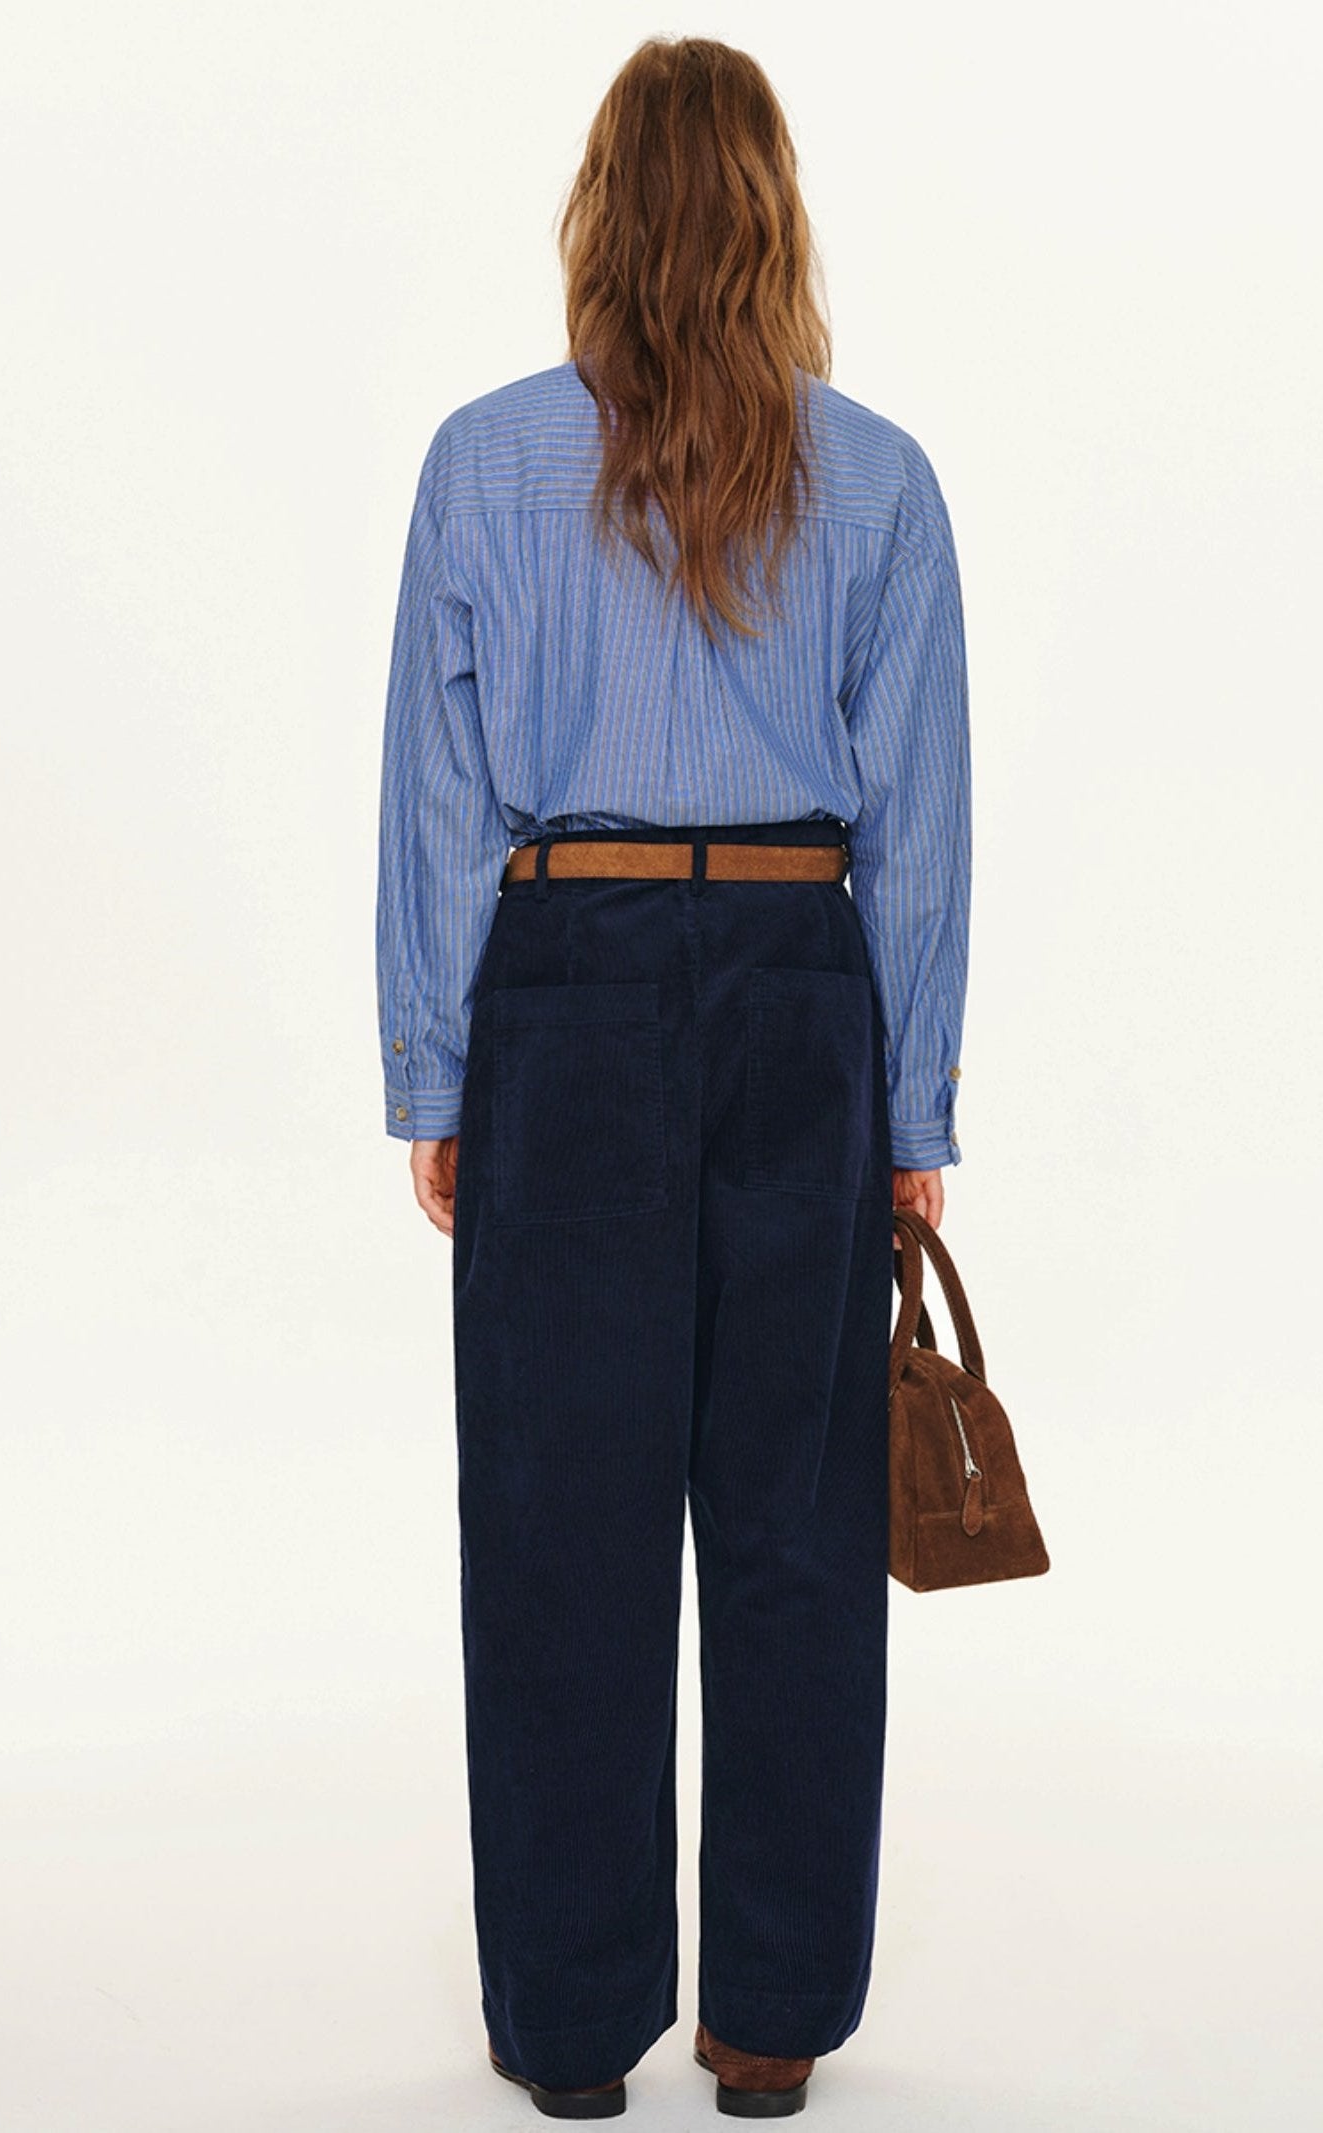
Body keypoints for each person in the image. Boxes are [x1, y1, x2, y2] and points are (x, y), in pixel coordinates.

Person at [374, 35, 970, 2120]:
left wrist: (438, 1071)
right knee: (795, 1510)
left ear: (599, 213)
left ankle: (567, 2025)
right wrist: (911, 1112)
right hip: (804, 984)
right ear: (776, 215)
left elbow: (439, 796)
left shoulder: (483, 461)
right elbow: (917, 824)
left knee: (562, 1510)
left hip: (566, 986)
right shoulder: (880, 479)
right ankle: (771, 2018)